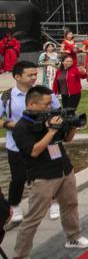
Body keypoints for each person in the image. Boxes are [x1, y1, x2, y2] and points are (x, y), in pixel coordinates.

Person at [11, 85, 88, 259]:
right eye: (46, 104)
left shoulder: (52, 117)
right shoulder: (22, 127)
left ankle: (73, 237)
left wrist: (71, 126)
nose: (51, 108)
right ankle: (21, 257)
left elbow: (68, 140)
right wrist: (51, 131)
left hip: (64, 169)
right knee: (33, 217)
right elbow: (34, 151)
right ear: (32, 103)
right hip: (42, 175)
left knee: (70, 204)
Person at [1, 61, 62, 226]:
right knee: (19, 177)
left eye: (35, 74)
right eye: (30, 75)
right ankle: (15, 205)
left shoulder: (45, 93)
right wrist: (13, 125)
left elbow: (58, 111)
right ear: (17, 76)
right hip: (17, 144)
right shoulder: (7, 97)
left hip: (46, 140)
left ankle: (54, 202)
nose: (34, 77)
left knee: (52, 172)